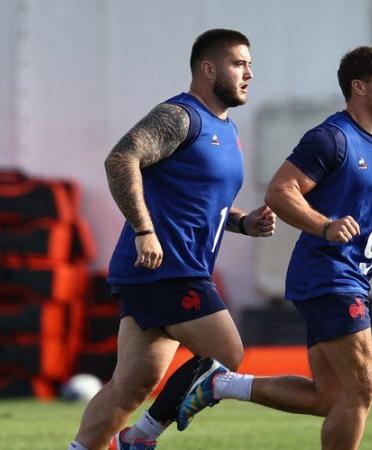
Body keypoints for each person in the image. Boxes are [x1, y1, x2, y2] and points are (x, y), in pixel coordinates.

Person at [173, 43, 372, 450]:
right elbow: (281, 191)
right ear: (358, 87)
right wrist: (325, 226)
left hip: (351, 279)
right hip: (328, 277)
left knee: (330, 397)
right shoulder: (331, 138)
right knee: (363, 387)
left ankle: (220, 385)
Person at [68, 29, 276, 450]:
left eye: (250, 65)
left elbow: (201, 205)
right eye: (239, 64)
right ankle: (141, 438)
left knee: (131, 386)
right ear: (208, 68)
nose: (249, 73)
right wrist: (144, 231)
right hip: (166, 269)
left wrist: (243, 223)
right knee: (227, 353)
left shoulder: (227, 128)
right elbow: (121, 157)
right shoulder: (181, 115)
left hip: (170, 270)